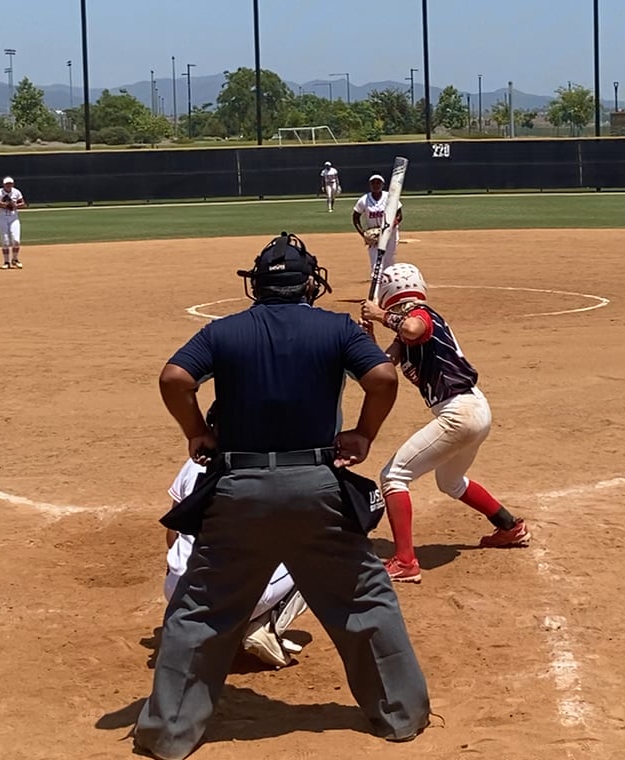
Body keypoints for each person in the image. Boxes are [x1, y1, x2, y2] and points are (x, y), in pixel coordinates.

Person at [135, 232, 428, 759]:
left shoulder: (223, 331)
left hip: (238, 488)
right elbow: (383, 378)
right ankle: (401, 714)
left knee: (200, 609)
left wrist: (196, 431)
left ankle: (169, 733)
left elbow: (175, 378)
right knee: (365, 599)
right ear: (310, 284)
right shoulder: (337, 328)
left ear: (258, 285)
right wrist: (363, 435)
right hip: (316, 486)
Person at [359, 263, 531, 584]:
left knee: (393, 476)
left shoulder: (421, 314)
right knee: (450, 481)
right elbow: (384, 365)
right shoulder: (406, 330)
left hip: (459, 412)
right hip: (474, 410)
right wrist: (367, 337)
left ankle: (405, 561)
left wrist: (380, 315)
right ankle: (510, 527)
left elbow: (414, 328)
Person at [162, 458, 309, 669]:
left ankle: (207, 628)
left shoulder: (194, 462)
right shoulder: (268, 465)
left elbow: (172, 536)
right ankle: (265, 626)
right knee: (315, 554)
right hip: (237, 597)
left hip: (178, 592)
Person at [351, 173, 402, 281]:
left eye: (378, 183)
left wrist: (393, 223)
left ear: (382, 185)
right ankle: (376, 286)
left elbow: (399, 214)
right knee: (376, 262)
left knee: (389, 260)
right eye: (373, 183)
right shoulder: (364, 200)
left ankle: (389, 284)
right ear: (370, 185)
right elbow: (355, 217)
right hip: (374, 234)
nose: (376, 185)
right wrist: (363, 234)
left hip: (390, 233)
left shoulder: (390, 197)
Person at [0, 176, 26, 269]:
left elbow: (23, 203)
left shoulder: (16, 192)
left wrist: (15, 205)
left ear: (13, 184)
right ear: (3, 184)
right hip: (2, 218)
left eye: (10, 183)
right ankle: (6, 261)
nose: (8, 185)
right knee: (5, 241)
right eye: (7, 184)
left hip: (14, 218)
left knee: (16, 240)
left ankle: (15, 259)